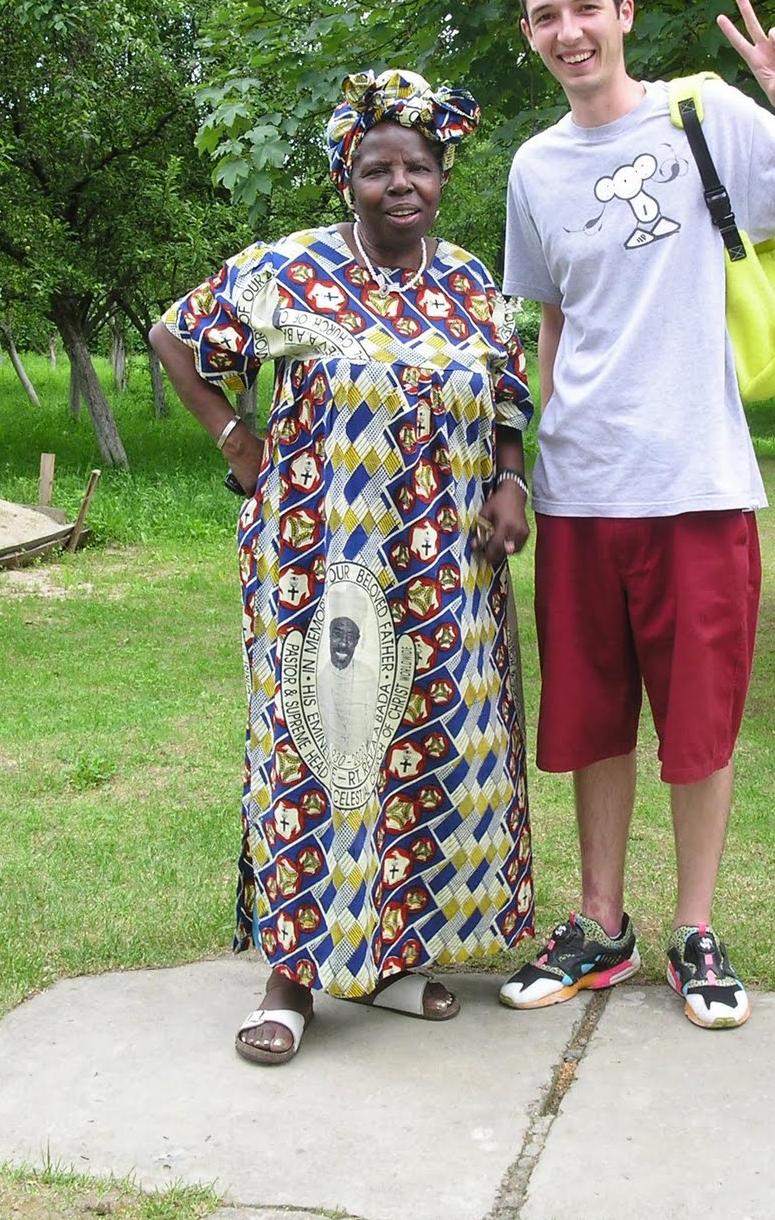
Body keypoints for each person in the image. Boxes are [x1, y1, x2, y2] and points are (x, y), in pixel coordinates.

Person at [498, 0, 775, 1028]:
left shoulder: (702, 115)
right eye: (546, 16)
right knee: (592, 721)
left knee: (699, 725)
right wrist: (540, 451)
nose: (569, 31)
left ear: (623, 13)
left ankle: (696, 930)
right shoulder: (533, 167)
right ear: (530, 35)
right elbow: (553, 319)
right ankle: (600, 924)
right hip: (582, 494)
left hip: (698, 482)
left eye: (586, 7)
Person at [150, 69, 535, 1065]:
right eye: (377, 168)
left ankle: (390, 957)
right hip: (320, 560)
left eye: (418, 166)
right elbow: (174, 334)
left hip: (445, 567)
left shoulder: (471, 283)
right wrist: (236, 435)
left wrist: (509, 479)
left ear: (442, 176)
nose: (400, 183)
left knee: (424, 745)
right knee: (321, 745)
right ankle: (291, 978)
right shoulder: (292, 269)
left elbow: (506, 395)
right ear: (347, 180)